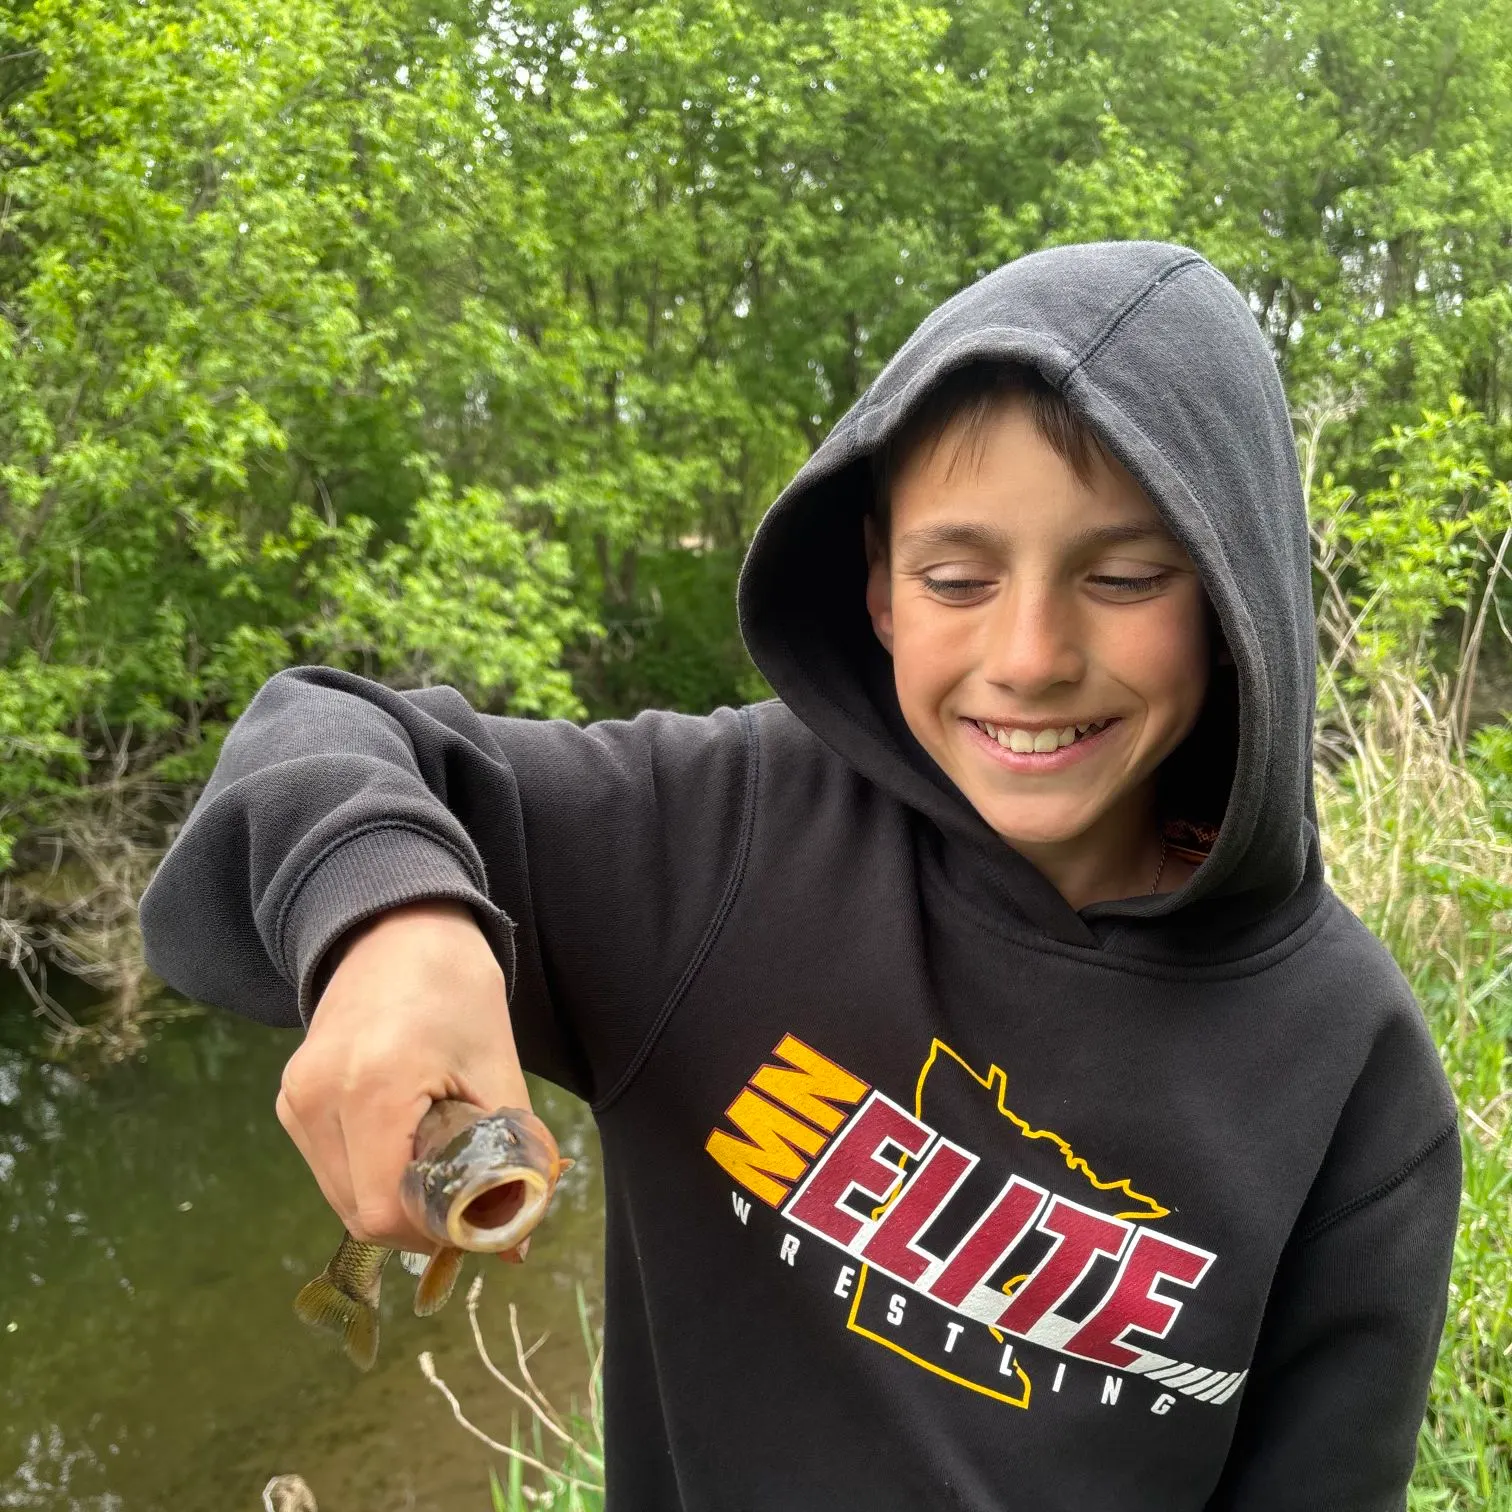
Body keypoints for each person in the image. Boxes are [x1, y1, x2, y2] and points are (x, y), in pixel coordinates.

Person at [137, 239, 1460, 1510]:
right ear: (880, 591)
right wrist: (395, 923)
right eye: (957, 577)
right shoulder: (722, 838)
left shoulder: (1351, 1070)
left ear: (1231, 603)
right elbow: (318, 732)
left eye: (1122, 577)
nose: (1030, 655)